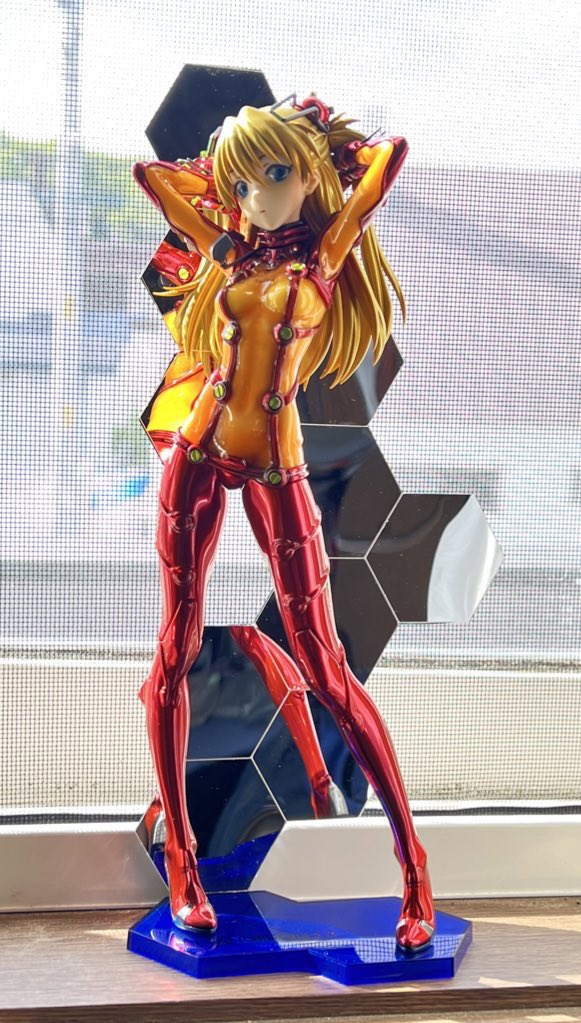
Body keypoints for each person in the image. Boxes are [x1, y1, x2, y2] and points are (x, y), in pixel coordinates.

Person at [133, 94, 434, 951]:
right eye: (242, 182)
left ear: (306, 177)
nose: (257, 197)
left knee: (328, 667)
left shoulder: (326, 254)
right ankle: (183, 864)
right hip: (199, 450)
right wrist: (228, 187)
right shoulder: (228, 247)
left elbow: (389, 154)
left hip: (277, 460)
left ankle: (413, 868)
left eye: (273, 176)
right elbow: (149, 176)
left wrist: (314, 144)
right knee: (173, 650)